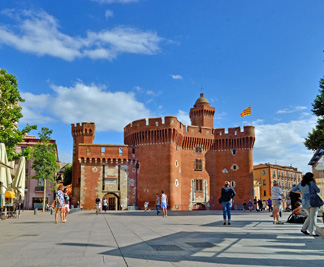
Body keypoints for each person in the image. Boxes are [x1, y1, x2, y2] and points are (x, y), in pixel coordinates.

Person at [291, 172, 321, 236]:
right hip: (312, 201)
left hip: (305, 201)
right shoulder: (311, 183)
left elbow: (293, 190)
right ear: (311, 177)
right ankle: (312, 232)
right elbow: (318, 190)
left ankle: (304, 229)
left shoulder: (301, 184)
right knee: (313, 216)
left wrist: (301, 192)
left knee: (310, 216)